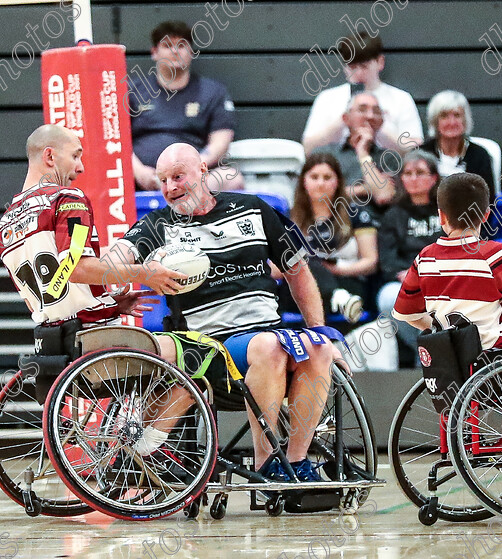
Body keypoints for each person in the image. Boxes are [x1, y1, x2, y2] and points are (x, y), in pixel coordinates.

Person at [112, 142, 342, 482]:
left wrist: (319, 329)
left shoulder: (252, 208)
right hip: (206, 348)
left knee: (319, 348)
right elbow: (114, 260)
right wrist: (126, 282)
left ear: (203, 170)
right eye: (162, 181)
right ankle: (267, 465)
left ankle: (295, 462)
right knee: (270, 347)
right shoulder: (158, 225)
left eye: (178, 176)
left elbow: (298, 272)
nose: (170, 188)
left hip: (269, 334)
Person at [0, 125, 196, 480]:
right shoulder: (66, 199)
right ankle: (145, 452)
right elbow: (78, 269)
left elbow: (55, 283)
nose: (82, 167)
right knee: (196, 355)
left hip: (53, 339)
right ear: (50, 156)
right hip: (94, 340)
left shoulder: (5, 222)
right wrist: (145, 272)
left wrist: (112, 302)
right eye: (76, 155)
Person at [392, 172, 502, 352]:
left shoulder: (425, 258)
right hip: (493, 364)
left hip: (446, 364)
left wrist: (446, 336)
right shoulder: (497, 255)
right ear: (485, 215)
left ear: (441, 217)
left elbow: (406, 314)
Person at [129, 20, 241, 191]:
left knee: (231, 178)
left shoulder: (212, 91)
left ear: (191, 51)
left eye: (181, 45)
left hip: (194, 181)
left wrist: (190, 169)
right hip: (140, 179)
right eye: (167, 45)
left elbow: (221, 142)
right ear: (154, 52)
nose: (175, 51)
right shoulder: (132, 90)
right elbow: (115, 142)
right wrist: (139, 172)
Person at [287, 152, 379, 323]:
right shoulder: (290, 219)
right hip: (304, 288)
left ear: (337, 182)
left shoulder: (357, 214)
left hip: (348, 283)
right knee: (305, 262)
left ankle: (339, 297)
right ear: (303, 182)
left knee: (307, 262)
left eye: (327, 177)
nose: (320, 183)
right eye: (314, 177)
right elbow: (280, 266)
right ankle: (338, 298)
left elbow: (371, 262)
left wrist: (338, 270)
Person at [302, 31, 423, 154]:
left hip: (387, 168)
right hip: (340, 167)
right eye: (352, 67)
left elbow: (416, 150)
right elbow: (308, 148)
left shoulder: (400, 99)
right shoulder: (327, 98)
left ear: (380, 62)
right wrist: (344, 120)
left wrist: (380, 125)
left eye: (364, 66)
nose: (358, 73)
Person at [376, 151, 444, 363]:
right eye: (408, 173)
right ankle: (424, 351)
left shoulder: (446, 210)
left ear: (434, 178)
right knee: (388, 298)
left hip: (442, 279)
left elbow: (455, 247)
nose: (413, 178)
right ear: (401, 179)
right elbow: (387, 260)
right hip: (406, 282)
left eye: (420, 173)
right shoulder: (393, 215)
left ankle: (427, 354)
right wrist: (413, 276)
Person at [311, 92, 396, 210]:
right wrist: (363, 189)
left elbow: (384, 195)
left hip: (375, 225)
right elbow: (317, 196)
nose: (370, 116)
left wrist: (363, 153)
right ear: (346, 118)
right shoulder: (324, 154)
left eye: (376, 111)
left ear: (381, 121)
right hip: (332, 223)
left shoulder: (389, 157)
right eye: (362, 110)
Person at [421, 90, 495, 203]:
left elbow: (487, 201)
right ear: (435, 121)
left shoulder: (480, 156)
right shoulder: (422, 153)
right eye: (444, 116)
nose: (452, 122)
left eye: (457, 115)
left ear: (465, 121)